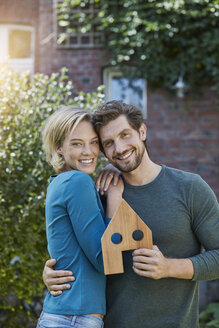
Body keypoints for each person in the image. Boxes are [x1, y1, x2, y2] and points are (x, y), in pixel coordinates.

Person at [42, 101, 219, 328]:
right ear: (103, 151)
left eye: (125, 135)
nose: (120, 148)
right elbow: (75, 250)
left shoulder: (189, 188)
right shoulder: (100, 195)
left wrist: (169, 267)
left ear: (142, 131)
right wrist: (51, 275)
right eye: (108, 143)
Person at [37, 106, 123, 328]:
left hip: (66, 316)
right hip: (73, 320)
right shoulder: (77, 181)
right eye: (77, 143)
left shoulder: (60, 182)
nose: (89, 151)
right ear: (59, 148)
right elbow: (106, 261)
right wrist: (115, 198)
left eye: (94, 142)